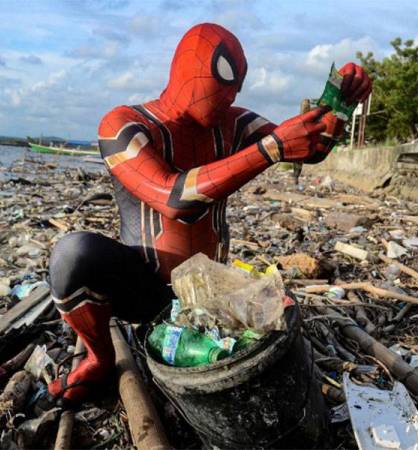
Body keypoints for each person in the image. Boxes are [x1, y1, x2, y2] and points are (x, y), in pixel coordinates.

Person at [48, 22, 371, 404]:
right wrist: (268, 150)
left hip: (208, 290)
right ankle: (100, 358)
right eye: (225, 74)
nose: (231, 92)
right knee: (73, 256)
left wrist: (337, 105)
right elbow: (174, 198)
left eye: (238, 82)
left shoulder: (234, 124)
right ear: (187, 68)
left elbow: (306, 146)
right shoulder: (124, 125)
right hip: (145, 290)